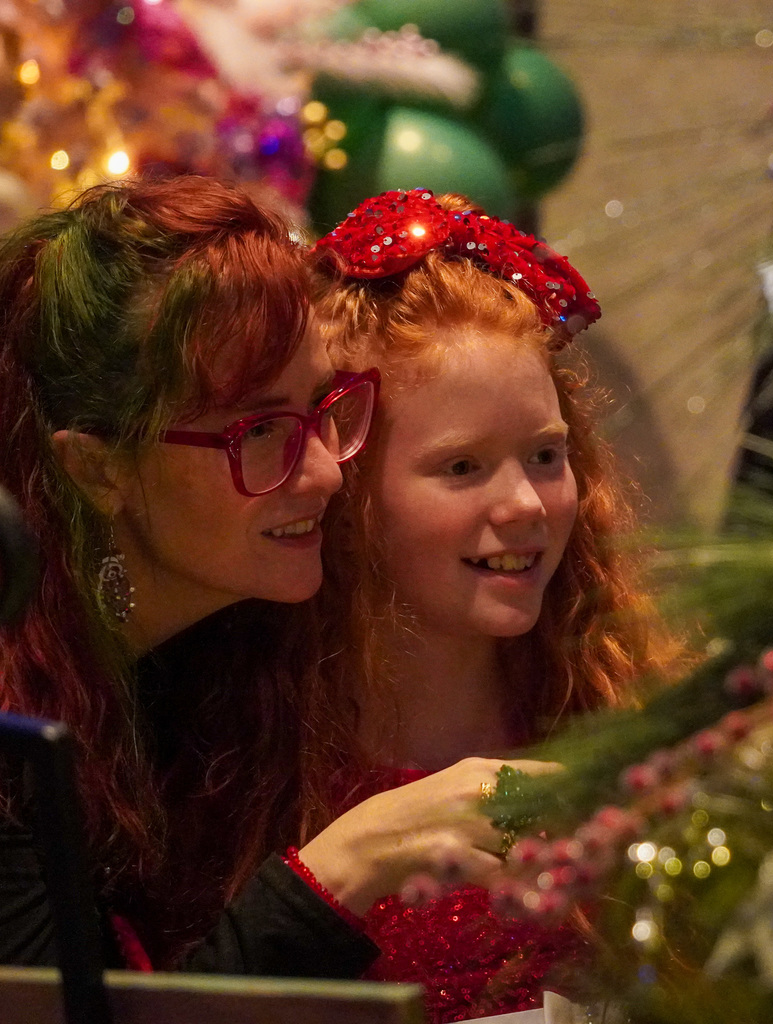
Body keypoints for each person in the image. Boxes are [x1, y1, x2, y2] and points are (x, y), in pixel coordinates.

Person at [0, 175, 546, 975]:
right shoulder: (14, 744)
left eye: (323, 408)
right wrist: (344, 867)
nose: (326, 472)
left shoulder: (216, 664)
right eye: (259, 432)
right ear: (97, 467)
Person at [315, 189, 683, 1022]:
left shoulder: (625, 709)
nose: (526, 503)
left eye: (546, 455)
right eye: (462, 468)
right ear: (349, 491)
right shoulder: (247, 757)